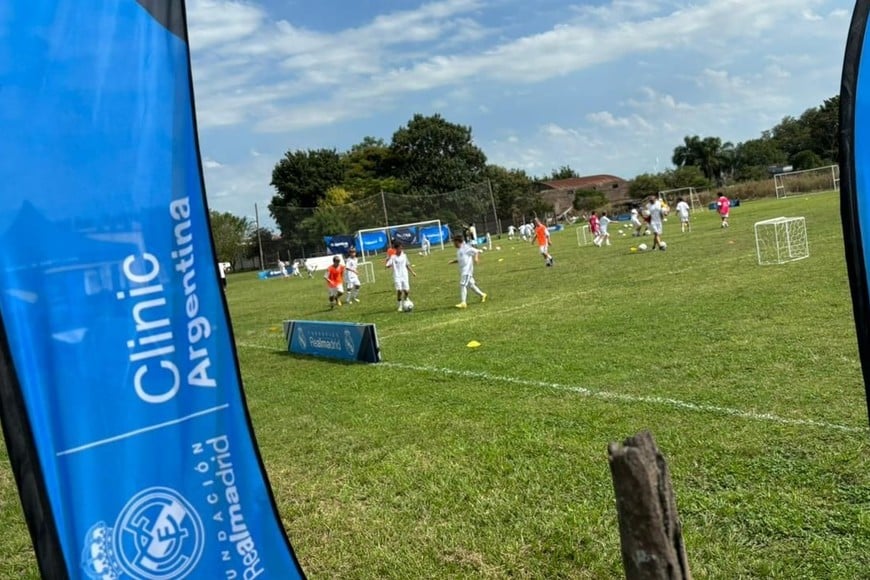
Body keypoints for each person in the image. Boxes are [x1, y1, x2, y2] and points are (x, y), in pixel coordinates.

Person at [448, 234, 487, 309]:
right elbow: (462, 259)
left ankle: (463, 302)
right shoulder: (459, 250)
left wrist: (476, 259)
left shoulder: (466, 248)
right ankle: (483, 295)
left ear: (458, 242)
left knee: (462, 285)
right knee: (471, 285)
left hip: (467, 271)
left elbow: (476, 251)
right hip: (463, 270)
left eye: (454, 242)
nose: (453, 244)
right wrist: (453, 261)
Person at [385, 242, 416, 311]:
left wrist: (412, 272)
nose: (401, 249)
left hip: (404, 276)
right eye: (399, 248)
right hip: (397, 276)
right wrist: (388, 264)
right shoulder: (393, 257)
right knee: (399, 290)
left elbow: (407, 265)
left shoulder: (404, 256)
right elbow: (387, 265)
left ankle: (405, 300)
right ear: (396, 249)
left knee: (407, 291)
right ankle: (400, 305)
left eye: (401, 248)